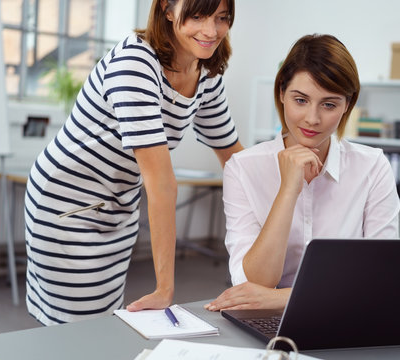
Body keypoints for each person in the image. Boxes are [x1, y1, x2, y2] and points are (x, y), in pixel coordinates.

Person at [24, 0, 243, 326]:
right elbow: (162, 183)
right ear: (167, 9)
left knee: (100, 321)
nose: (211, 31)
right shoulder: (135, 64)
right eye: (197, 15)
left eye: (221, 18)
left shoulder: (205, 73)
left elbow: (236, 160)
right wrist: (165, 288)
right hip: (67, 204)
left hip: (117, 208)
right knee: (76, 328)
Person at [204, 34, 400, 312]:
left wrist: (281, 298)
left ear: (347, 105)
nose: (312, 118)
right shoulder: (243, 168)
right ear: (282, 92)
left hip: (344, 315)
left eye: (329, 104)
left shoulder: (373, 166)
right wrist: (288, 190)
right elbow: (255, 281)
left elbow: (381, 279)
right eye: (301, 100)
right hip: (265, 318)